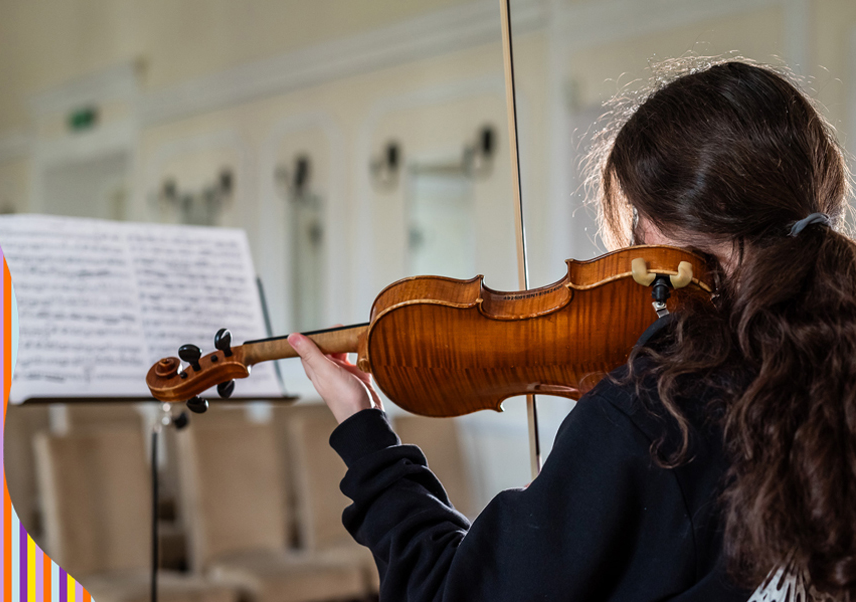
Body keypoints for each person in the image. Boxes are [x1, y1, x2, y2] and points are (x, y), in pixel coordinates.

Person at [288, 58, 856, 601]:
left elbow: (447, 593)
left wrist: (366, 434)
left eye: (636, 218)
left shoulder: (659, 414)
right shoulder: (834, 364)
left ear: (666, 225)